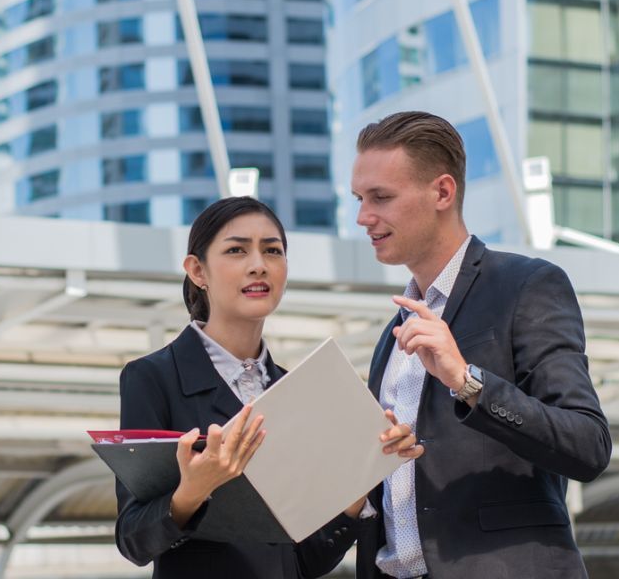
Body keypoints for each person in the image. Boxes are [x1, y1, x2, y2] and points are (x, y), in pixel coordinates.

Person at [348, 111, 612, 578]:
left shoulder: (526, 286)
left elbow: (587, 445)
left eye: (381, 198)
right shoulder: (391, 339)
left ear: (442, 193)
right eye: (359, 199)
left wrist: (467, 382)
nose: (363, 217)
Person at [114, 196, 425, 578]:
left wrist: (356, 482)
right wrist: (192, 492)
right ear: (197, 270)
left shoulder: (294, 391)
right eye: (236, 250)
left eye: (272, 251)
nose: (258, 266)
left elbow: (303, 562)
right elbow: (132, 540)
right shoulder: (153, 378)